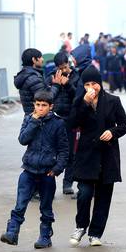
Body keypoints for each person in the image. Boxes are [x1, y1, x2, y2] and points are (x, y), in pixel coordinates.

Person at [68, 65, 126, 247]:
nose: (91, 87)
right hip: (86, 155)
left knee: (104, 197)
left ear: (100, 83)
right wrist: (84, 104)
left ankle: (95, 233)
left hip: (107, 155)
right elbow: (71, 123)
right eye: (87, 84)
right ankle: (80, 226)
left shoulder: (113, 100)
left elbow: (125, 125)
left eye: (94, 83)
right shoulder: (79, 101)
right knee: (84, 193)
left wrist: (112, 131)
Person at [0, 90, 69, 249]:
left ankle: (45, 236)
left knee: (46, 207)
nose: (40, 108)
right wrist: (34, 122)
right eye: (37, 105)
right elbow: (23, 140)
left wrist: (57, 169)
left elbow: (64, 151)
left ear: (50, 107)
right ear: (34, 105)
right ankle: (12, 232)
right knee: (20, 203)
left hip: (47, 172)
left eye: (44, 105)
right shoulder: (29, 119)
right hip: (28, 171)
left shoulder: (58, 124)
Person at [46, 52, 80, 196]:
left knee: (71, 152)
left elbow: (78, 97)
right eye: (60, 67)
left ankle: (68, 183)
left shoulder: (76, 76)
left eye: (65, 66)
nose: (63, 70)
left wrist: (67, 85)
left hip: (71, 119)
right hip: (55, 118)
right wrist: (54, 84)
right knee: (52, 152)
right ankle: (47, 183)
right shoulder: (52, 76)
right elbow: (47, 96)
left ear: (68, 63)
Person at [14, 48, 62, 115]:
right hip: (38, 118)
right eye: (40, 57)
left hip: (32, 116)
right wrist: (56, 85)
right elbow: (45, 98)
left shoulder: (26, 74)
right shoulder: (33, 78)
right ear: (34, 59)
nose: (42, 59)